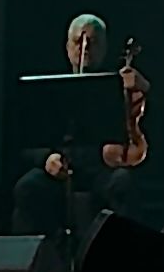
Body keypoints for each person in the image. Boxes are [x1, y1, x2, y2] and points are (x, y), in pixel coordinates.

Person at [12, 14, 146, 238]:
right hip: (62, 168)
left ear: (104, 48)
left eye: (92, 42)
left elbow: (140, 132)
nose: (84, 48)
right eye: (77, 42)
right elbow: (27, 139)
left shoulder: (118, 85)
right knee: (27, 188)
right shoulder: (50, 89)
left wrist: (141, 90)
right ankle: (47, 253)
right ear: (67, 48)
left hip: (101, 169)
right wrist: (46, 158)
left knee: (122, 183)